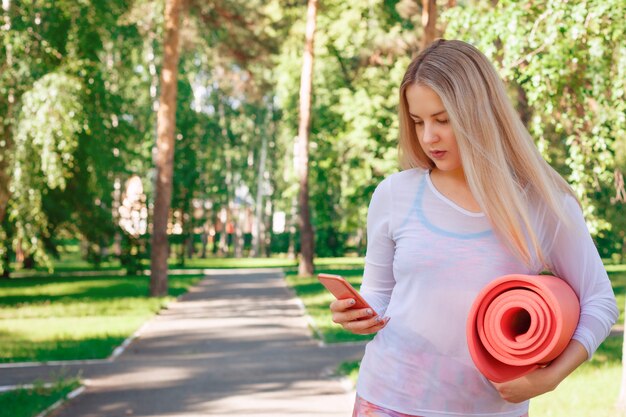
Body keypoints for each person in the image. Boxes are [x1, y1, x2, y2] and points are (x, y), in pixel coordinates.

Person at [329, 39, 619, 417]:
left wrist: (551, 378)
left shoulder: (541, 204)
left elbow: (600, 301)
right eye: (418, 122)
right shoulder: (394, 194)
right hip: (386, 399)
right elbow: (379, 296)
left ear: (480, 113)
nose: (428, 136)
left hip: (490, 409)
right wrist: (357, 315)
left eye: (443, 120)